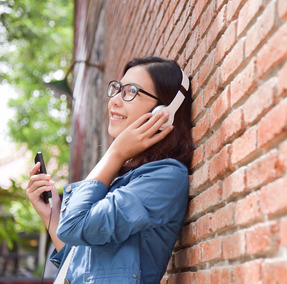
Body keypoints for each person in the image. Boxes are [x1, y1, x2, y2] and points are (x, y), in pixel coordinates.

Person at [26, 56, 194, 283]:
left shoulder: (165, 178)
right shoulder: (121, 179)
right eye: (117, 89)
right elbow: (79, 267)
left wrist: (115, 153)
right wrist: (51, 216)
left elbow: (75, 226)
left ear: (163, 112)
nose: (114, 100)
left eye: (131, 91)